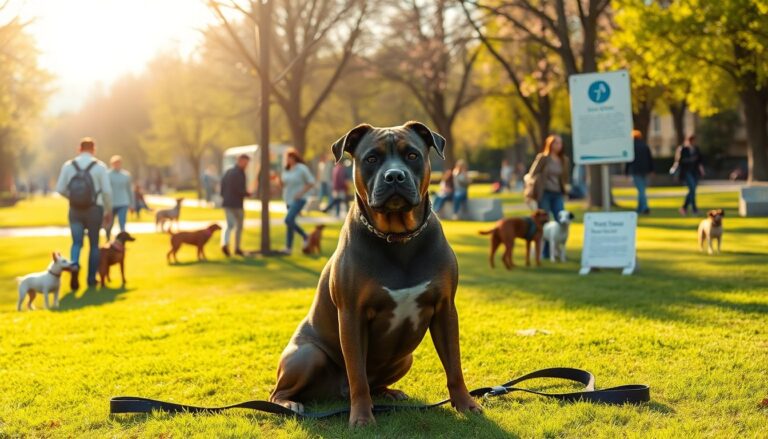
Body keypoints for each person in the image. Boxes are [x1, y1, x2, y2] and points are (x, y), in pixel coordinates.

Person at [56, 137, 113, 290]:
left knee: (76, 243)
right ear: (94, 150)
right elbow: (107, 191)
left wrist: (73, 197)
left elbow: (60, 188)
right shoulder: (99, 167)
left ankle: (74, 266)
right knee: (94, 245)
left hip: (75, 210)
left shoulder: (68, 166)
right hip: (95, 210)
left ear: (79, 149)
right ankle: (91, 278)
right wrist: (108, 210)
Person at [525, 134, 570, 220]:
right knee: (544, 219)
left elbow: (565, 178)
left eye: (560, 143)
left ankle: (560, 234)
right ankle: (544, 234)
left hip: (557, 192)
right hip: (544, 192)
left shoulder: (564, 160)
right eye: (556, 143)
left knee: (561, 217)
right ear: (551, 144)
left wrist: (566, 190)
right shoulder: (543, 158)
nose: (559, 145)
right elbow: (532, 174)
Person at [279, 148, 315, 254]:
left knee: (288, 220)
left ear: (295, 157)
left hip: (300, 199)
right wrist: (278, 180)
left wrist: (300, 193)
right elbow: (284, 185)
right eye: (287, 158)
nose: (288, 160)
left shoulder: (302, 168)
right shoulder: (286, 169)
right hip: (288, 199)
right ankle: (288, 249)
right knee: (290, 224)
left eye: (290, 157)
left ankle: (305, 236)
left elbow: (311, 182)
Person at [220, 154, 251, 257]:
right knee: (236, 226)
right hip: (236, 203)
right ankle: (234, 247)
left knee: (230, 225)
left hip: (228, 202)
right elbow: (238, 189)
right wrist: (247, 193)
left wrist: (224, 197)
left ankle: (226, 243)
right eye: (245, 163)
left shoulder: (228, 171)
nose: (246, 165)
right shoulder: (238, 173)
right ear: (240, 160)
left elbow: (222, 186)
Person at [671, 134, 705, 215]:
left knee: (692, 190)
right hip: (686, 172)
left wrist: (702, 170)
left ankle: (685, 208)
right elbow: (679, 161)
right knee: (692, 189)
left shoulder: (696, 149)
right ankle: (693, 209)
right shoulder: (683, 149)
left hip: (695, 172)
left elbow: (699, 161)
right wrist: (690, 160)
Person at [105, 155, 134, 240]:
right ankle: (108, 240)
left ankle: (122, 243)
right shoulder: (107, 175)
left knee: (122, 223)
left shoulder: (126, 175)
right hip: (111, 203)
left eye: (118, 163)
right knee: (109, 224)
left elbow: (129, 190)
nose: (117, 165)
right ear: (112, 164)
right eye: (115, 163)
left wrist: (132, 204)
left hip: (123, 202)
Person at [625, 130, 654, 215]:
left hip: (636, 170)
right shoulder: (645, 145)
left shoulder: (631, 147)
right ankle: (639, 208)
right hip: (645, 170)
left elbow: (629, 161)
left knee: (641, 190)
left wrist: (626, 172)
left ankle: (645, 207)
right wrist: (651, 170)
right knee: (641, 189)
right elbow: (650, 159)